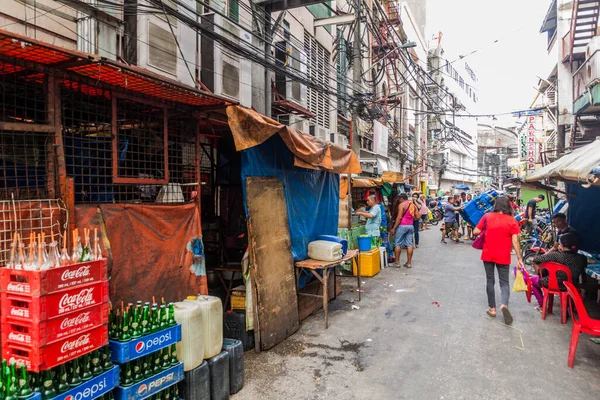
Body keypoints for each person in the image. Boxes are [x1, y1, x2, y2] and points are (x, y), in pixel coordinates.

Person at [473, 196, 524, 325]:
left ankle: (492, 309)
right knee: (504, 282)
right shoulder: (512, 221)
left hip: (488, 254)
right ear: (508, 206)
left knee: (490, 280)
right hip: (503, 255)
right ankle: (504, 304)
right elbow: (515, 241)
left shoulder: (487, 217)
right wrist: (519, 258)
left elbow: (475, 231)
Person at [529, 233, 588, 311]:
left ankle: (542, 306)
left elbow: (536, 259)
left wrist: (540, 272)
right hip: (571, 286)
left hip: (552, 284)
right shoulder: (582, 258)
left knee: (531, 281)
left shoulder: (556, 255)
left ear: (562, 245)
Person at [389, 193, 416, 268]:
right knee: (409, 244)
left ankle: (397, 263)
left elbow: (399, 217)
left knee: (398, 243)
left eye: (399, 199)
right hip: (410, 226)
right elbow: (418, 216)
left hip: (402, 226)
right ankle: (409, 263)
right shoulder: (412, 205)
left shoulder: (401, 205)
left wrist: (394, 228)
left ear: (401, 198)